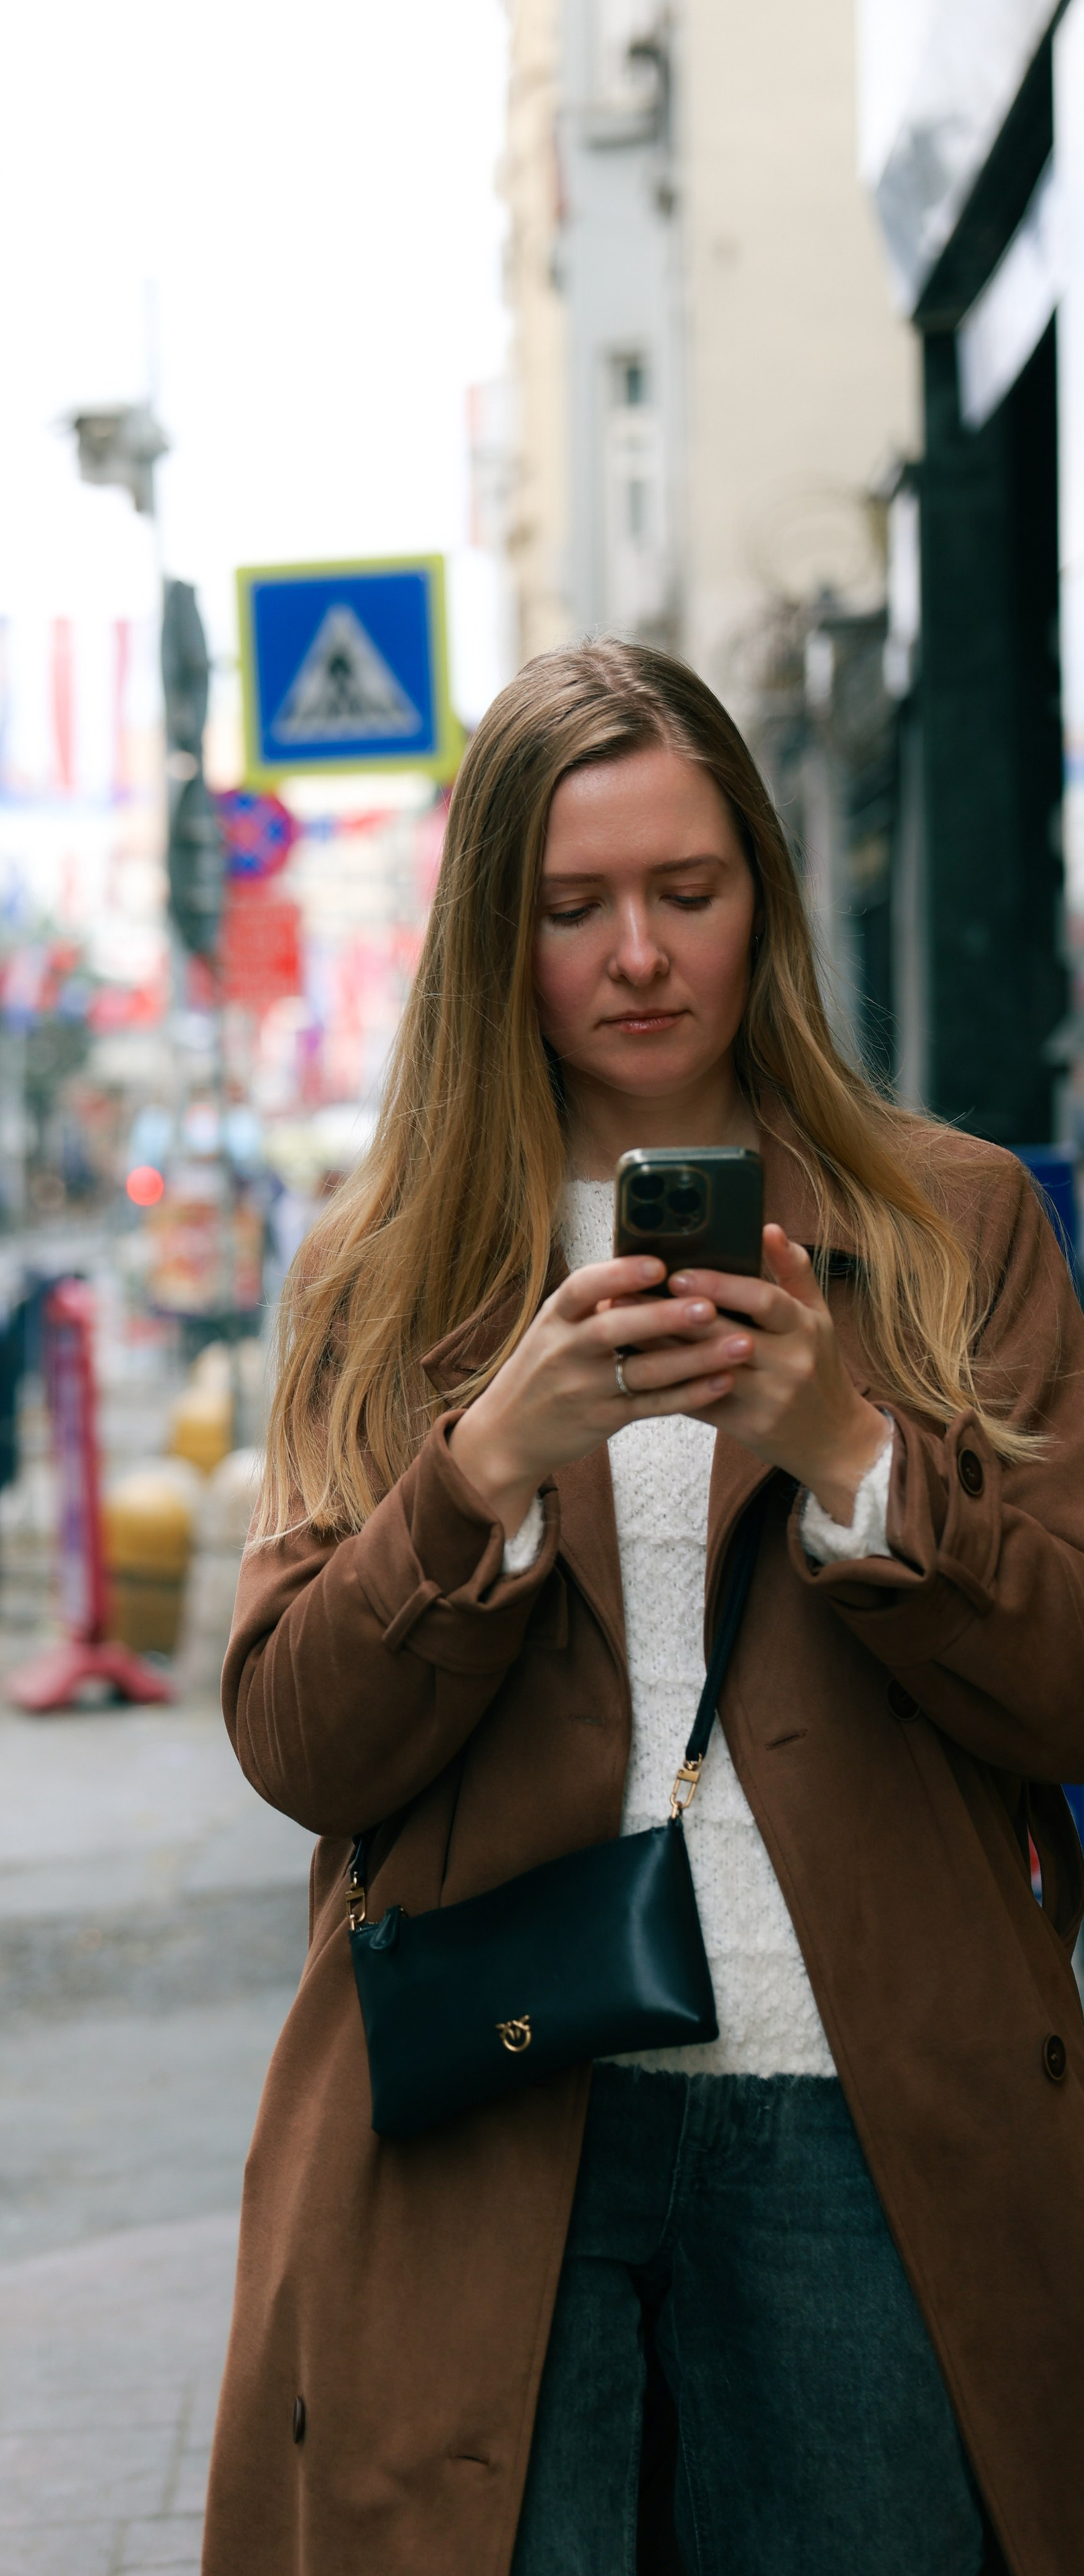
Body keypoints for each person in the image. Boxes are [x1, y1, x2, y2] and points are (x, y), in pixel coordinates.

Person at [200, 642, 1084, 2576]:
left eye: (688, 891)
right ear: (491, 936)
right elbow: (295, 1740)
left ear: (762, 890)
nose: (639, 954)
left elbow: (1072, 1688)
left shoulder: (955, 1226)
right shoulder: (389, 1272)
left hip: (868, 2107)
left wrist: (853, 1455)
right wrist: (480, 1474)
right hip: (497, 2109)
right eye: (573, 905)